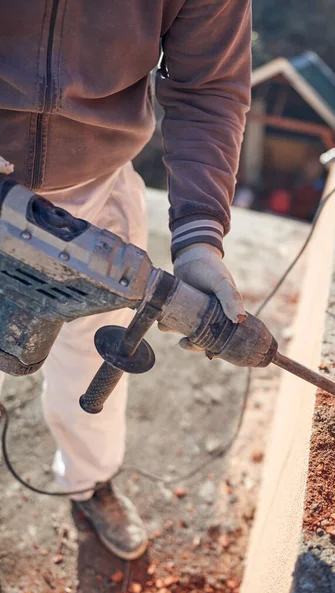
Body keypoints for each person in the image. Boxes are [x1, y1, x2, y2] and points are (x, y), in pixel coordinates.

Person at [0, 0, 251, 560]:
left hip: (93, 192)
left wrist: (199, 235)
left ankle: (89, 483)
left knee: (93, 365)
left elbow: (208, 87)